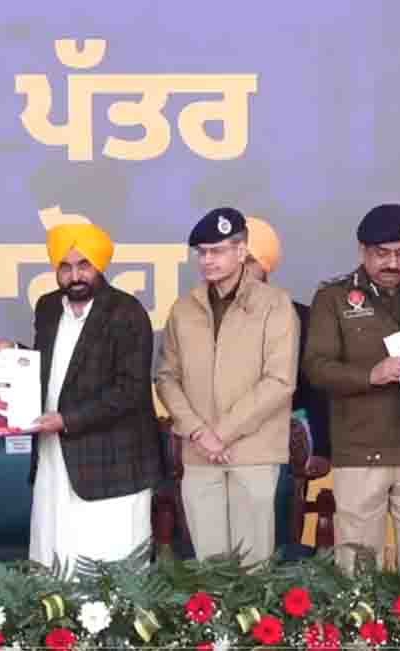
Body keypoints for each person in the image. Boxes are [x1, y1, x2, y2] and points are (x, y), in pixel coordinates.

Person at [303, 204, 400, 577]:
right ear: (362, 251)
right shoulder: (334, 297)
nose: (393, 263)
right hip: (360, 451)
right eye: (382, 254)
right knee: (358, 570)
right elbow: (316, 368)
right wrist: (370, 375)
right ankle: (360, 621)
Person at [1, 222, 163, 568]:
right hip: (54, 456)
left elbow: (130, 389)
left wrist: (66, 420)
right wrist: (12, 355)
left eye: (83, 265)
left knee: (110, 566)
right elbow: (51, 367)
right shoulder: (47, 307)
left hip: (113, 462)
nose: (75, 276)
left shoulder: (127, 312)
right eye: (65, 267)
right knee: (55, 559)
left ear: (99, 265)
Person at [156, 208, 299, 563]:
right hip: (200, 454)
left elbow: (280, 381)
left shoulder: (275, 305)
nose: (207, 260)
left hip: (253, 454)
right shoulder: (183, 309)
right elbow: (166, 377)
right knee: (210, 568)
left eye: (217, 251)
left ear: (241, 251)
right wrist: (198, 432)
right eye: (202, 252)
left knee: (253, 568)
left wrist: (221, 433)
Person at [243, 217, 331, 460]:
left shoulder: (299, 318)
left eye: (249, 261)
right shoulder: (200, 317)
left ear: (265, 266)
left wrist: (320, 451)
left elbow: (316, 392)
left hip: (280, 454)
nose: (239, 269)